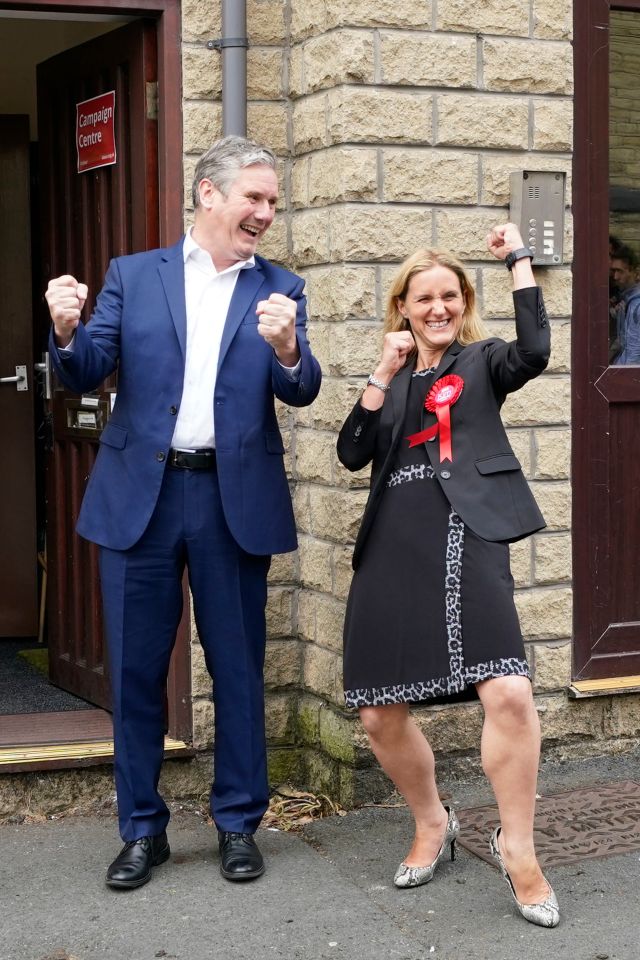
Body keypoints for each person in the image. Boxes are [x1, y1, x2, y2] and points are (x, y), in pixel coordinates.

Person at [45, 135, 322, 890]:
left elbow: (301, 389)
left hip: (232, 502)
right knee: (135, 673)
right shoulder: (134, 277)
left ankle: (238, 823)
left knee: (237, 669)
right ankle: (141, 830)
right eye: (254, 198)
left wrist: (291, 348)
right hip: (143, 498)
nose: (266, 212)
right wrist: (65, 333)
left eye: (273, 201)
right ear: (208, 194)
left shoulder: (281, 289)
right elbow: (85, 370)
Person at [337, 223, 559, 928]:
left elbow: (536, 351)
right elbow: (351, 452)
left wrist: (520, 260)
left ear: (463, 303)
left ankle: (518, 850)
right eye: (422, 298)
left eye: (449, 297)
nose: (437, 309)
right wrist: (381, 371)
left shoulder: (485, 360)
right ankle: (433, 823)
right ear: (402, 305)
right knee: (379, 712)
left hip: (469, 532)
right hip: (393, 544)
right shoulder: (394, 376)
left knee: (511, 695)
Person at [609, 243, 640, 364]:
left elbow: (633, 355)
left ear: (634, 272)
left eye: (619, 271)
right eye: (613, 271)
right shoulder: (626, 300)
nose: (615, 277)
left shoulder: (636, 305)